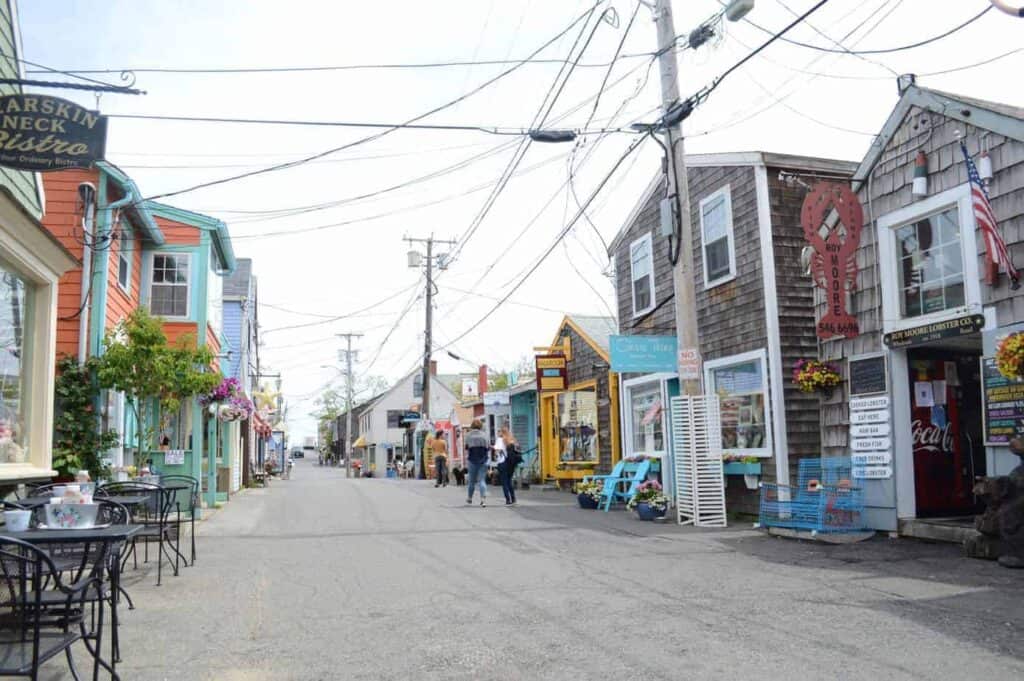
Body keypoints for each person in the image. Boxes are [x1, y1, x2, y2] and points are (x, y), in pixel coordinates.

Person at [464, 420, 490, 507]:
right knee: (482, 480)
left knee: (471, 481)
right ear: (480, 426)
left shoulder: (468, 435)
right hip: (483, 460)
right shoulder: (485, 435)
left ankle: (470, 498)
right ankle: (483, 500)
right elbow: (488, 447)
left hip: (472, 460)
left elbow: (466, 447)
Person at [497, 427, 522, 505]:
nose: (498, 433)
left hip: (503, 462)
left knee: (504, 482)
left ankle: (508, 499)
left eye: (499, 431)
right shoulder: (513, 440)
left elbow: (497, 451)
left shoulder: (500, 440)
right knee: (509, 481)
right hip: (511, 463)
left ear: (501, 432)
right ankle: (513, 498)